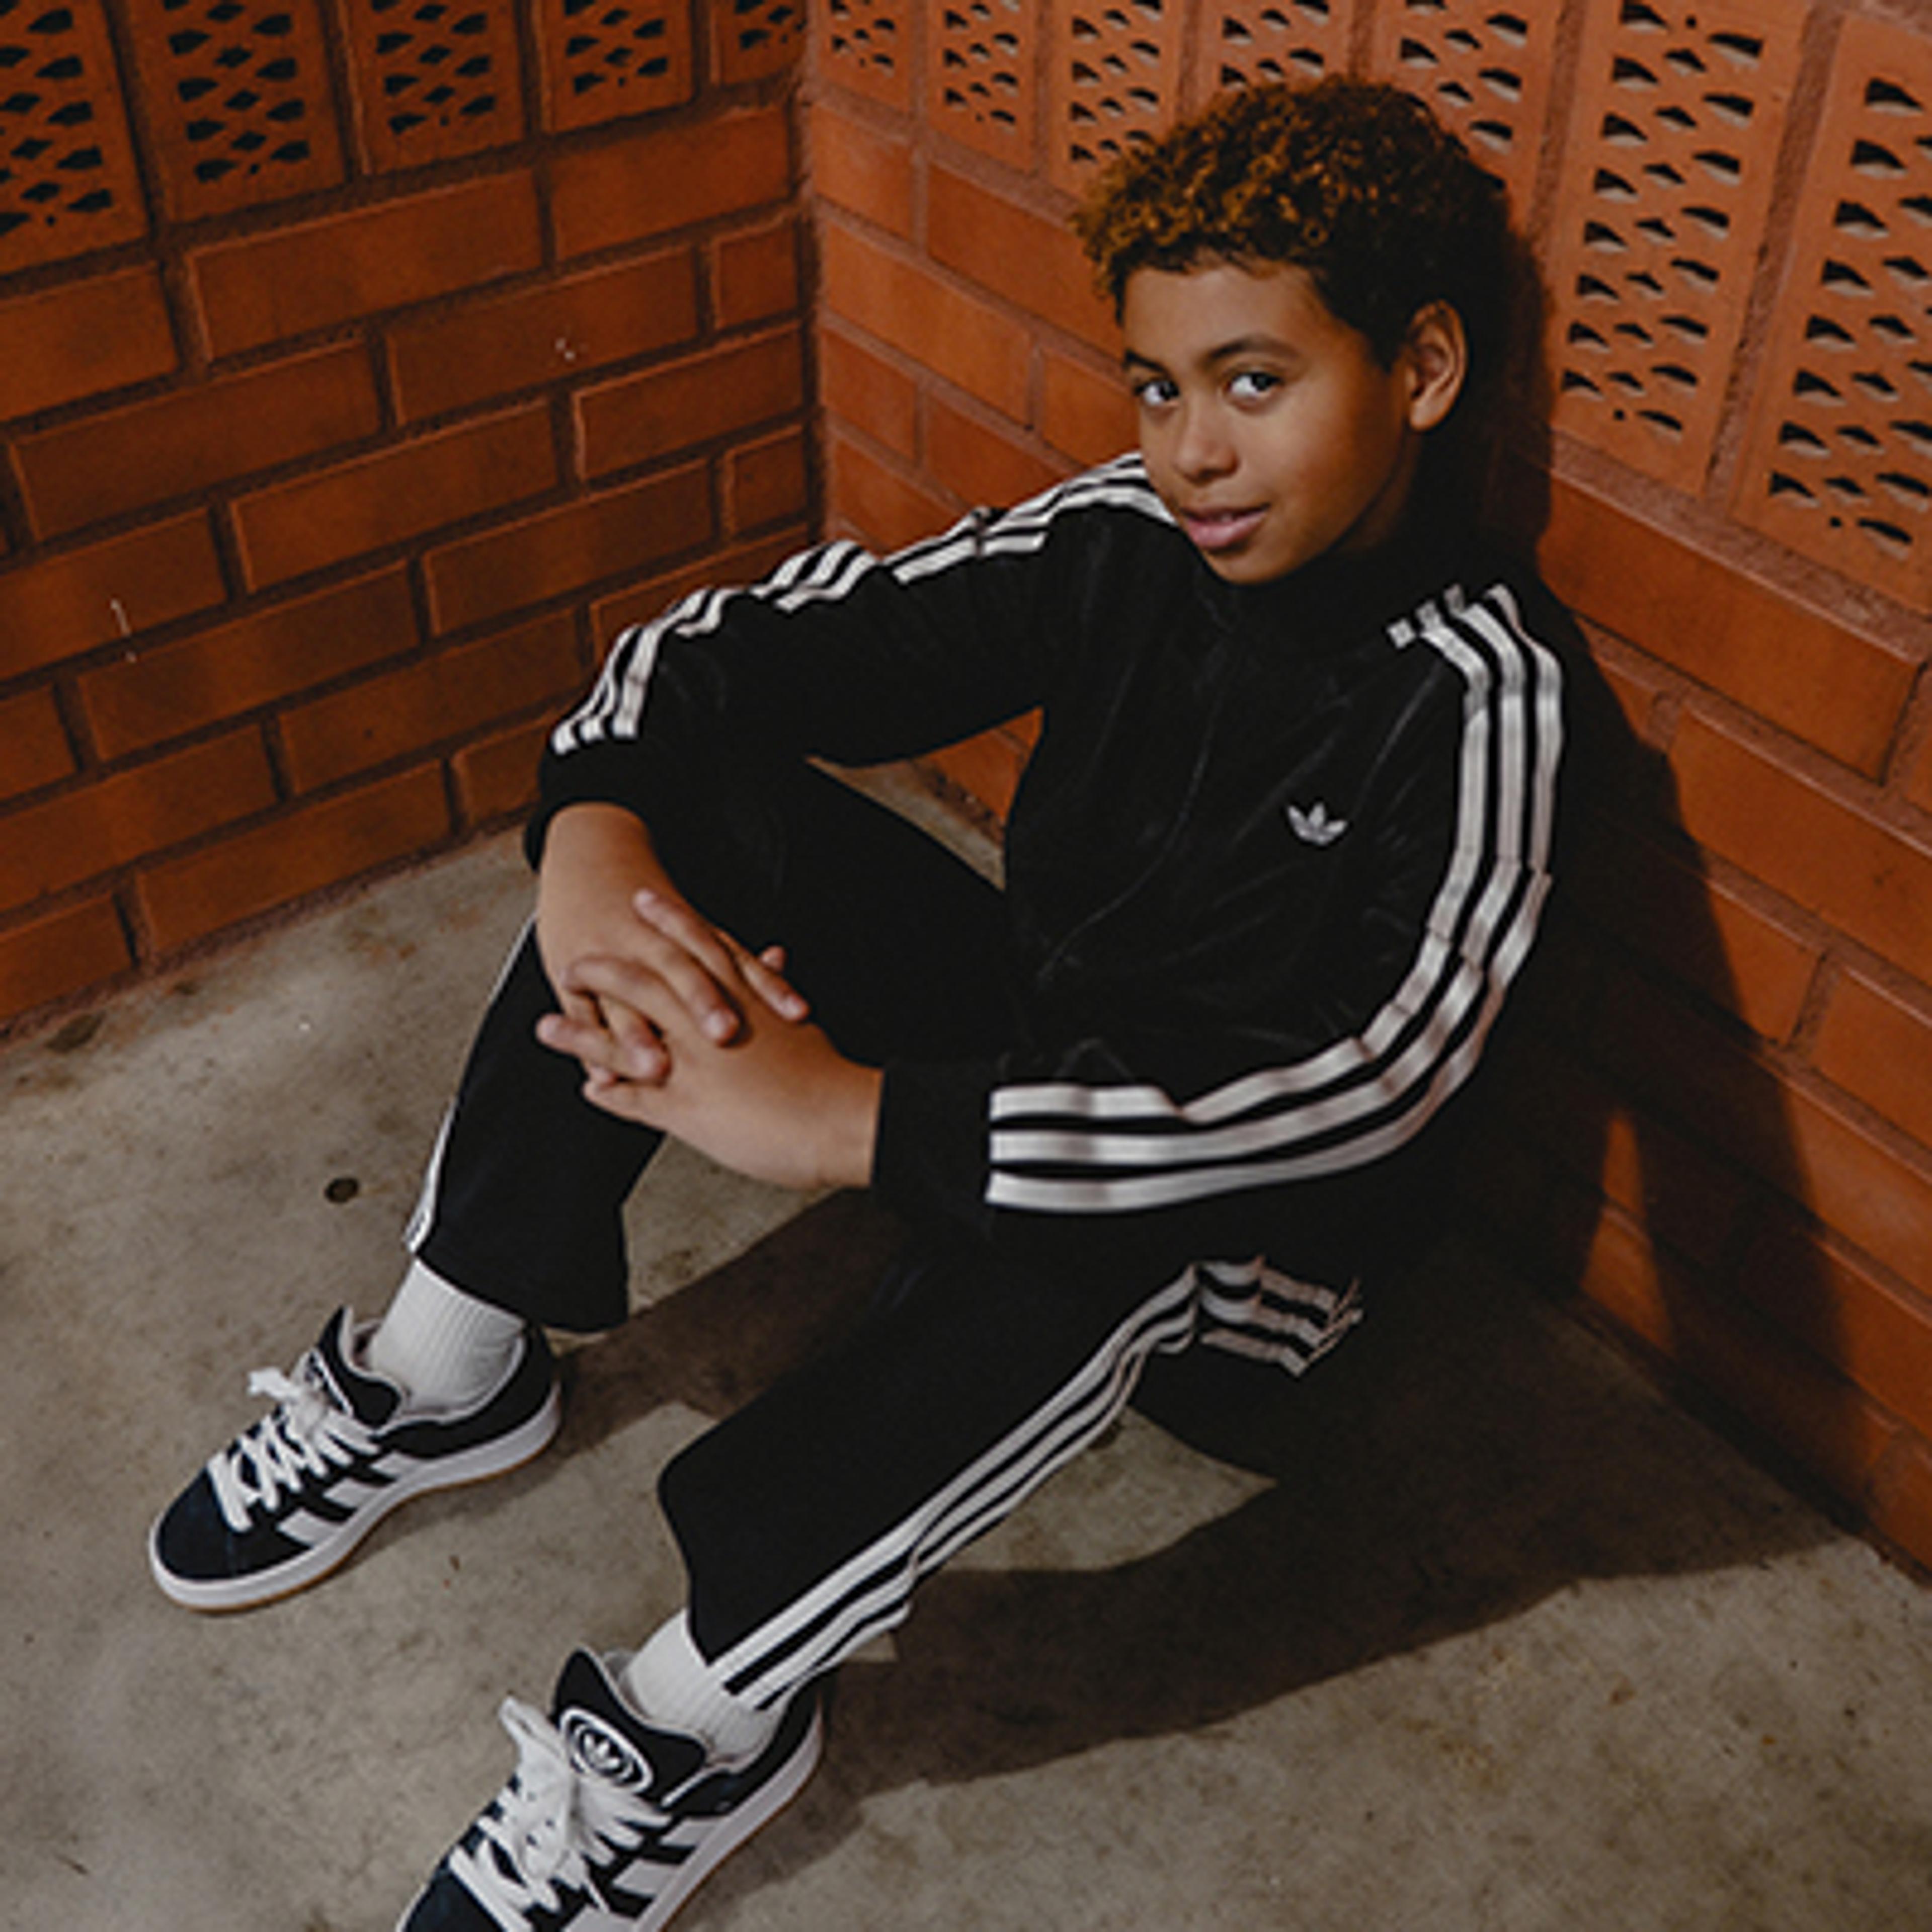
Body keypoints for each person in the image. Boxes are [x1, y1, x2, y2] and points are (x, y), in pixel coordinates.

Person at [148, 76, 1577, 1931]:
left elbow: (1371, 1087)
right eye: (1157, 388)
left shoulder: (1484, 691)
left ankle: (700, 1723)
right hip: (1033, 1029)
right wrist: (592, 836)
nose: (1193, 452)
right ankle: (450, 1365)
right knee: (703, 805)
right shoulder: (1128, 535)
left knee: (1105, 1233)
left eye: (1254, 381)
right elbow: (734, 651)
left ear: (1425, 368)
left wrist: (849, 1121)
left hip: (1245, 1242)